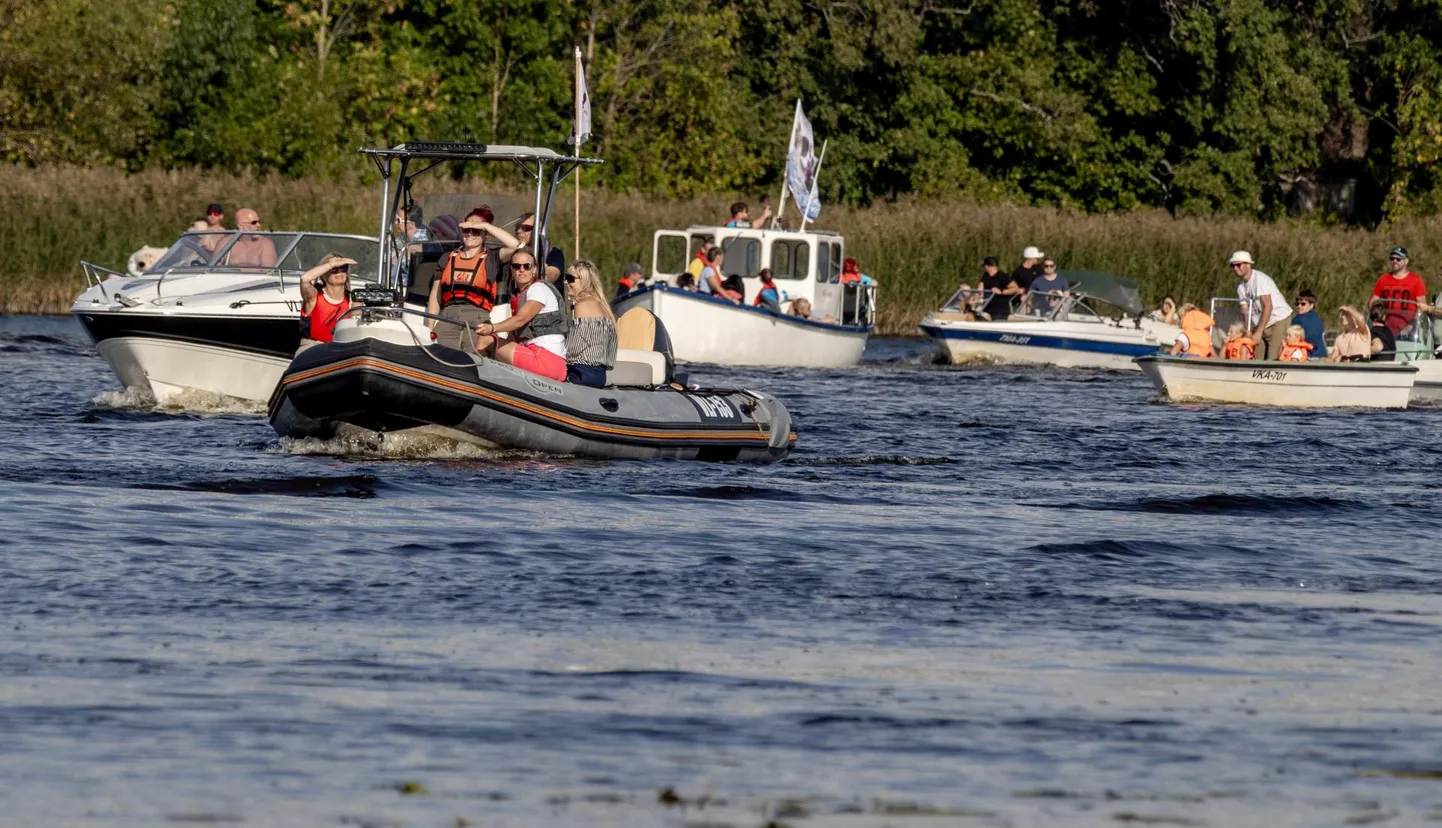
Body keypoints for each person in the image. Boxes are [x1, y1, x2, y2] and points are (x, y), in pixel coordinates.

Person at [473, 249, 569, 381]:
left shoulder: (538, 289)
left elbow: (520, 320)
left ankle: (480, 380)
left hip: (545, 359)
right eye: (516, 266)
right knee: (503, 341)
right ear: (511, 270)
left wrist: (492, 328)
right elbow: (514, 335)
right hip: (541, 356)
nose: (521, 270)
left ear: (534, 269)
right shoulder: (521, 295)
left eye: (527, 266)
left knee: (485, 340)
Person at [427, 210, 514, 352]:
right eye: (467, 229)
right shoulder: (446, 258)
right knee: (439, 355)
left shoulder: (492, 258)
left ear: (485, 234)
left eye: (476, 230)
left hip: (478, 320)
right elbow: (435, 296)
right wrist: (429, 327)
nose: (470, 234)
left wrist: (486, 226)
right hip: (448, 316)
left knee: (473, 360)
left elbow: (515, 246)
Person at [1229, 250, 1292, 360]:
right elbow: (1245, 311)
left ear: (1248, 265)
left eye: (1238, 265)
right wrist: (1247, 329)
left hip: (1277, 319)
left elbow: (1268, 306)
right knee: (1256, 357)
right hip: (1261, 323)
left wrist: (1258, 331)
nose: (1235, 268)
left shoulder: (1259, 279)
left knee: (1272, 358)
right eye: (1232, 266)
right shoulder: (1241, 288)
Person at [562, 260, 616, 387]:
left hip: (580, 373)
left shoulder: (582, 304)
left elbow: (573, 347)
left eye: (570, 279)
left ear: (585, 281)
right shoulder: (604, 308)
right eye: (565, 278)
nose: (566, 282)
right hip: (599, 375)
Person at [298, 253, 355, 348]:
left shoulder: (352, 299)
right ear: (323, 274)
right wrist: (331, 264)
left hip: (340, 347)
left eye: (343, 267)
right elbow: (304, 279)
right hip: (313, 346)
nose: (339, 272)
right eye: (334, 269)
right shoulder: (314, 295)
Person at [1370, 246, 1430, 335]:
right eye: (1392, 258)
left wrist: (1412, 325)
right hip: (1386, 328)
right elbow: (1373, 302)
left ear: (1406, 261)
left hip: (1409, 331)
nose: (1394, 261)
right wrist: (1376, 320)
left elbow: (1422, 307)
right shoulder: (1383, 279)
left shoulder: (1416, 280)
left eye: (1398, 259)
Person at [501, 211, 563, 284]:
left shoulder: (554, 254)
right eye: (517, 227)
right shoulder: (511, 253)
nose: (519, 231)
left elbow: (549, 276)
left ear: (538, 231)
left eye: (526, 228)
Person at [1291, 288, 1328, 358]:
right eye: (1297, 304)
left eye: (1303, 304)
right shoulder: (1316, 318)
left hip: (1309, 355)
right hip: (1321, 354)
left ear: (1311, 305)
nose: (1299, 306)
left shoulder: (1299, 319)